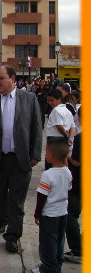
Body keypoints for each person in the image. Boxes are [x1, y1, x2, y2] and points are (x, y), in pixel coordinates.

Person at [0, 65, 42, 254]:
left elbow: (37, 126)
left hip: (20, 158)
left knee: (17, 199)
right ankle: (2, 220)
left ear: (12, 79)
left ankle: (13, 236)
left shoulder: (29, 99)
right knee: (0, 192)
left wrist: (36, 153)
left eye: (1, 78)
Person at [31, 137, 72, 273]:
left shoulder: (48, 175)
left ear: (51, 155)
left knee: (48, 242)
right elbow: (68, 189)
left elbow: (42, 197)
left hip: (49, 214)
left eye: (46, 151)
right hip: (62, 212)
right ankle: (57, 264)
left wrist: (37, 214)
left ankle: (48, 268)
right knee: (60, 240)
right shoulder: (67, 172)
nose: (45, 154)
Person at [65, 106, 82, 264]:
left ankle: (78, 250)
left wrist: (69, 154)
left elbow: (76, 161)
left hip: (78, 185)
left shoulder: (81, 137)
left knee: (70, 215)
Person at [45, 89, 76, 170]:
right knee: (63, 163)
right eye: (48, 100)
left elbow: (59, 126)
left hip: (55, 140)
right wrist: (70, 137)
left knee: (53, 164)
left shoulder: (56, 110)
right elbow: (73, 127)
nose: (50, 102)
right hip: (64, 140)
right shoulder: (67, 111)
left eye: (52, 100)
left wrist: (66, 135)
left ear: (59, 99)